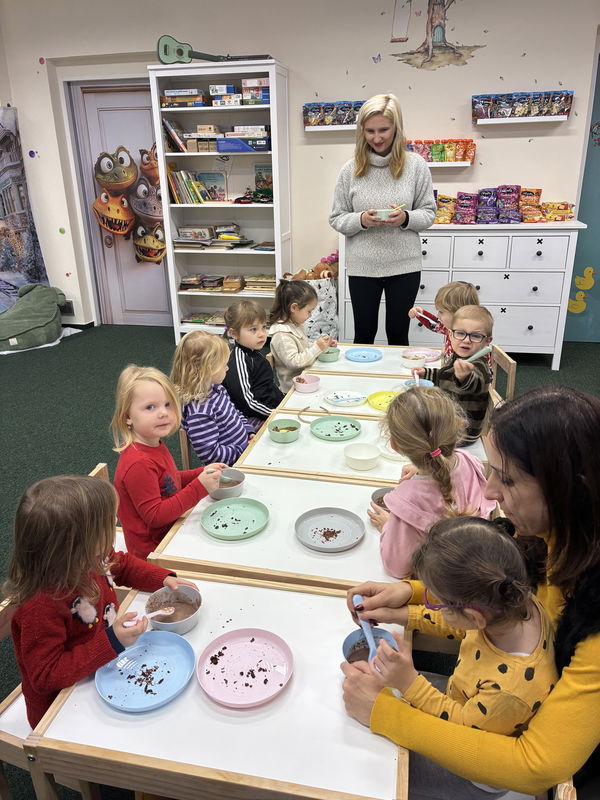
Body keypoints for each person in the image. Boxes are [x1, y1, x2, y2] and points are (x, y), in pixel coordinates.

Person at [341, 386, 600, 798]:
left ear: (569, 489)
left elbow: (536, 765)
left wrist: (383, 713)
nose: (491, 492)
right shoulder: (549, 540)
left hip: (505, 766)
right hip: (478, 706)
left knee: (355, 770)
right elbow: (491, 606)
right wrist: (411, 595)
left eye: (507, 478)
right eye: (490, 470)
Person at [371, 515, 557, 799]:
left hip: (471, 772)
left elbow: (460, 728)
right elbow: (461, 626)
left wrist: (409, 682)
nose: (431, 603)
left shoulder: (510, 692)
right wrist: (401, 614)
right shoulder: (516, 602)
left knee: (379, 766)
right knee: (377, 688)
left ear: (473, 616)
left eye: (437, 601)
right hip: (460, 701)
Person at [4, 474, 198, 728]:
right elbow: (46, 675)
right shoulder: (40, 605)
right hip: (62, 709)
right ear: (76, 545)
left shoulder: (90, 557)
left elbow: (122, 565)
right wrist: (112, 640)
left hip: (106, 668)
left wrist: (162, 577)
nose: (115, 526)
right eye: (108, 524)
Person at [329, 93, 436, 346]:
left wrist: (406, 218)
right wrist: (361, 220)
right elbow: (336, 218)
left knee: (398, 335)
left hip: (405, 266)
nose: (377, 138)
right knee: (363, 334)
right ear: (361, 131)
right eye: (370, 131)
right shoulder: (350, 169)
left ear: (396, 128)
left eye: (384, 130)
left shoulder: (416, 166)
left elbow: (429, 213)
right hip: (363, 266)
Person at [369, 387, 495, 578]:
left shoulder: (407, 500)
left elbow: (396, 568)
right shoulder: (469, 460)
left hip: (444, 582)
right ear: (458, 425)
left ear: (394, 445)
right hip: (479, 560)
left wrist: (388, 526)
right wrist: (424, 469)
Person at [112, 364, 225, 559]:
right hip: (154, 552)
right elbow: (155, 516)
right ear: (127, 416)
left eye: (168, 404)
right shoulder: (138, 463)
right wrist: (199, 487)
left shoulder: (153, 443)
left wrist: (200, 472)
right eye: (150, 407)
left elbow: (167, 480)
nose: (163, 412)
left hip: (172, 531)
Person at [170, 330, 255, 465]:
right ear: (207, 369)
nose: (227, 369)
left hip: (244, 450)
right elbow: (211, 455)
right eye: (223, 365)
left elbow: (235, 413)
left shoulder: (216, 389)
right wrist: (243, 450)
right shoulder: (199, 412)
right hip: (229, 467)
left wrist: (248, 431)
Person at [415, 305, 494, 445]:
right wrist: (426, 373)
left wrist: (465, 377)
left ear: (487, 341)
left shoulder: (479, 365)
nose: (467, 340)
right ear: (450, 335)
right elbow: (446, 375)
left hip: (462, 433)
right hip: (449, 418)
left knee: (410, 426)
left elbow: (475, 383)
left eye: (476, 336)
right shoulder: (459, 356)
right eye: (460, 333)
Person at [222, 299, 284, 429]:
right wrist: (275, 413)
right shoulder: (239, 360)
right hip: (252, 417)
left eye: (264, 327)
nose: (261, 334)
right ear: (234, 333)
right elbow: (247, 403)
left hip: (269, 407)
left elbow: (267, 385)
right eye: (253, 329)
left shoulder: (254, 353)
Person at [268, 279, 334, 392]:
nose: (310, 315)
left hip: (306, 379)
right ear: (294, 308)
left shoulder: (295, 324)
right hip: (292, 390)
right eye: (309, 311)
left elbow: (304, 348)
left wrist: (323, 346)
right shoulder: (282, 335)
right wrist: (317, 347)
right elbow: (295, 362)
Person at [408, 281, 490, 366]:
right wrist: (420, 314)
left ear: (457, 313)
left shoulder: (469, 341)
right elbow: (435, 324)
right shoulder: (452, 328)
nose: (438, 316)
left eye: (441, 312)